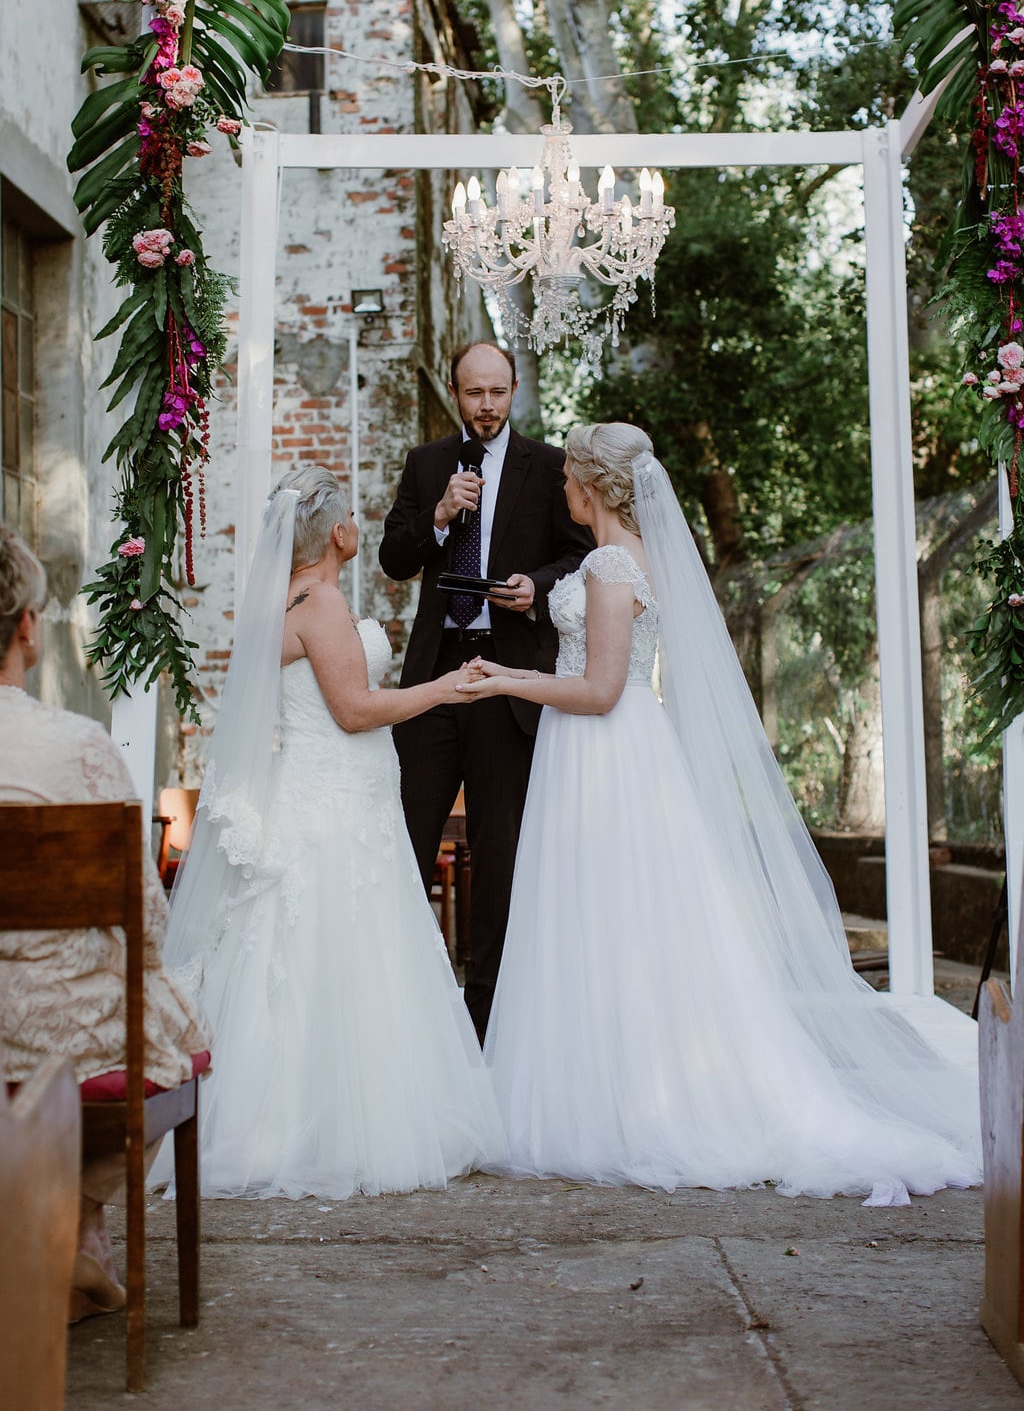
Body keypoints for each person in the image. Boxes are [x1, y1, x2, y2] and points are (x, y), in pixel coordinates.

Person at [456, 424, 982, 1202]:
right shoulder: (640, 556)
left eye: (569, 474)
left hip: (604, 754)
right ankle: (609, 1087)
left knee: (605, 919)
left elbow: (600, 690)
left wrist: (504, 679)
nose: (562, 485)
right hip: (610, 751)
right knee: (617, 923)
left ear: (595, 485)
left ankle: (618, 1103)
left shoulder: (607, 563)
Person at [152, 465, 507, 1199]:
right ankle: (339, 1127)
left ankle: (288, 1116)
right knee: (345, 948)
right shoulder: (322, 606)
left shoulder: (290, 599)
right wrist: (445, 689)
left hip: (328, 793)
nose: (360, 524)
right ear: (338, 532)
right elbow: (353, 710)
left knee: (303, 950)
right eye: (353, 515)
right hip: (335, 805)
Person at [0, 525, 211, 1320]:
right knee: (172, 1027)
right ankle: (79, 1225)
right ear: (27, 625)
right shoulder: (78, 747)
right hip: (56, 1032)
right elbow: (147, 928)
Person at [379, 341, 592, 1040]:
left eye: (498, 392)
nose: (487, 406)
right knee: (406, 839)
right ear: (455, 392)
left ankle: (485, 1018)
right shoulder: (426, 464)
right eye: (474, 394)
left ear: (515, 389)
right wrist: (439, 515)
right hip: (437, 680)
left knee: (501, 853)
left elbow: (584, 555)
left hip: (509, 683)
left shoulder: (552, 466)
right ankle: (408, 1004)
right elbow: (393, 556)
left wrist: (537, 589)